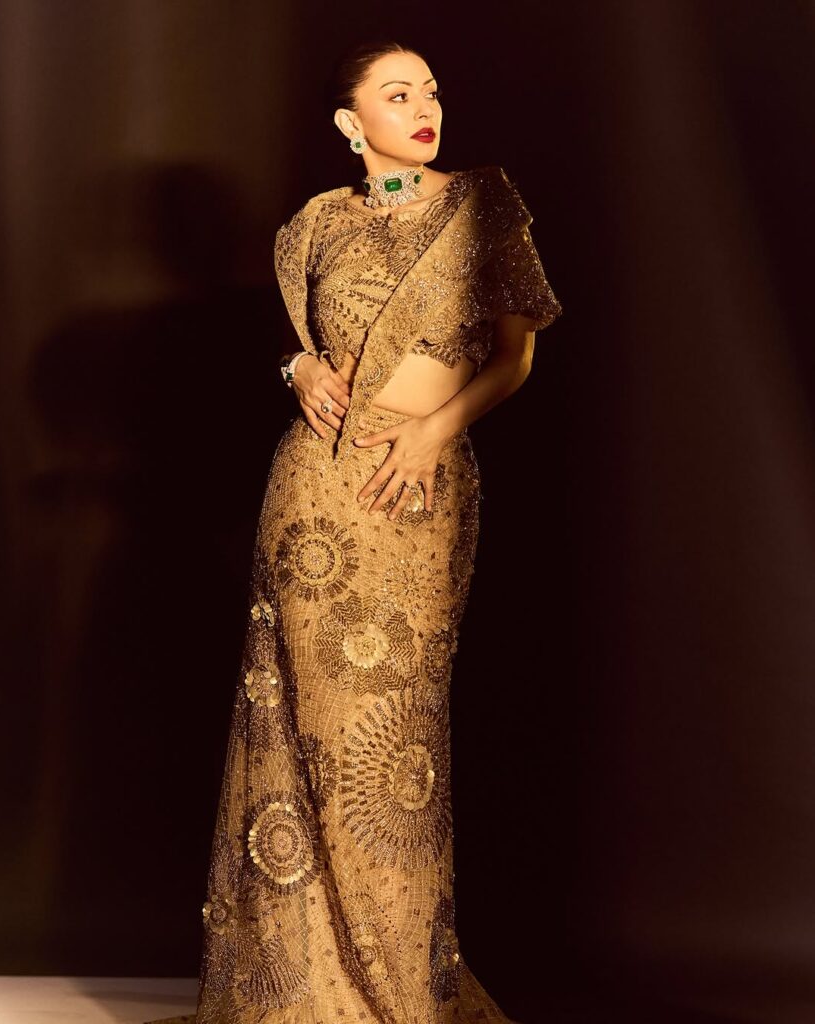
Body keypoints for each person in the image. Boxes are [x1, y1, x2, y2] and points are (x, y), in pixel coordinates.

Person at [145, 38, 562, 1024]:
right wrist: (294, 368)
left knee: (390, 747)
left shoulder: (482, 203)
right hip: (312, 495)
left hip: (416, 490)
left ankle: (400, 993)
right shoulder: (316, 225)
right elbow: (301, 344)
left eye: (430, 91)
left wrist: (434, 430)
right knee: (293, 728)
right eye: (397, 93)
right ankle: (295, 993)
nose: (424, 108)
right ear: (349, 122)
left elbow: (515, 355)